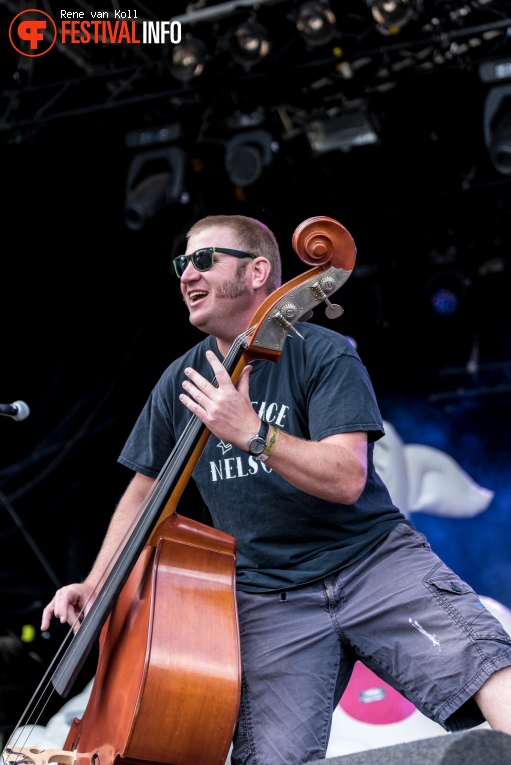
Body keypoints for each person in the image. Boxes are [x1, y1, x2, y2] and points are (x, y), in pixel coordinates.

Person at [42, 215, 511, 765]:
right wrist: (96, 583)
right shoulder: (181, 380)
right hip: (269, 596)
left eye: (203, 260)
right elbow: (144, 494)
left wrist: (253, 433)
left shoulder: (323, 352)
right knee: (267, 759)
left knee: (488, 669)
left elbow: (346, 477)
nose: (186, 276)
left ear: (258, 271)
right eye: (181, 264)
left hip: (372, 565)